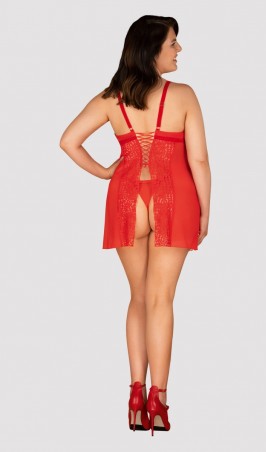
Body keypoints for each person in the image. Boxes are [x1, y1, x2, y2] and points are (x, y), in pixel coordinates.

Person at [59, 15, 211, 435]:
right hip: (173, 198)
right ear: (151, 49)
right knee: (161, 299)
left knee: (139, 297)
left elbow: (69, 141)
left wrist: (107, 172)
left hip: (127, 198)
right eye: (173, 43)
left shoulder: (111, 98)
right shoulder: (184, 96)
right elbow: (198, 159)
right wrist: (205, 210)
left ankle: (134, 396)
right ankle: (158, 401)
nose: (179, 50)